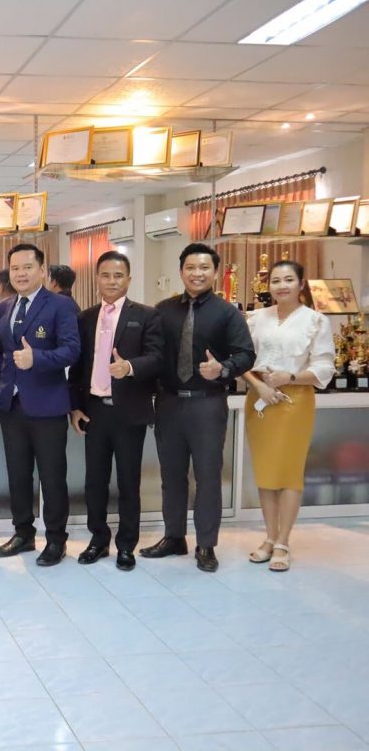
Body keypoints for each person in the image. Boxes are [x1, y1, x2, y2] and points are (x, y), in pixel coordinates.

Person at [141, 243, 255, 572]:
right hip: (168, 402)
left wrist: (223, 368)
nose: (197, 273)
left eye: (204, 267)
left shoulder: (227, 313)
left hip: (207, 404)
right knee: (171, 476)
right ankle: (174, 537)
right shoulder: (162, 310)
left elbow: (246, 354)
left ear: (215, 272)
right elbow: (152, 354)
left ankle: (206, 544)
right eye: (190, 267)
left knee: (207, 476)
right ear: (181, 271)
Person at [69, 251, 163, 571]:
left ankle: (126, 545)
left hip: (128, 412)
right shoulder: (85, 317)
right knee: (94, 482)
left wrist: (130, 367)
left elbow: (157, 358)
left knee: (128, 482)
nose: (112, 281)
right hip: (94, 411)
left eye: (118, 276)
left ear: (129, 279)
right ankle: (98, 540)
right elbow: (77, 368)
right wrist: (75, 407)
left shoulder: (147, 315)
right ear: (96, 279)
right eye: (106, 275)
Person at [0, 243, 80, 566]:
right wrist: (0, 386)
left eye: (27, 267)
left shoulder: (60, 305)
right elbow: (1, 352)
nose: (20, 274)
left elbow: (72, 350)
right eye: (15, 268)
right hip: (11, 405)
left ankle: (56, 539)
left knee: (52, 477)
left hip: (47, 405)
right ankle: (23, 534)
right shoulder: (4, 308)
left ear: (42, 270)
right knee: (18, 474)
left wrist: (37, 359)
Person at [242, 260, 334, 572]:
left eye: (289, 280)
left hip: (295, 401)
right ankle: (269, 537)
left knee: (290, 473)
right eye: (276, 280)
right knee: (266, 473)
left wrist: (289, 377)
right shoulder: (256, 318)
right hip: (260, 400)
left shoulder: (316, 320)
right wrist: (259, 385)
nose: (282, 286)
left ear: (301, 284)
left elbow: (324, 366)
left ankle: (283, 542)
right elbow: (242, 359)